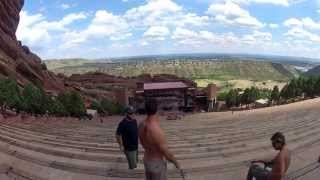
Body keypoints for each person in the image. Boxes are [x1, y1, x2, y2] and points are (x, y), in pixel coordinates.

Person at [139, 98, 180, 180]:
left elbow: (142, 142)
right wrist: (176, 162)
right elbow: (166, 153)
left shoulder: (141, 124)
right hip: (156, 164)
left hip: (147, 160)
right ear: (157, 109)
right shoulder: (156, 131)